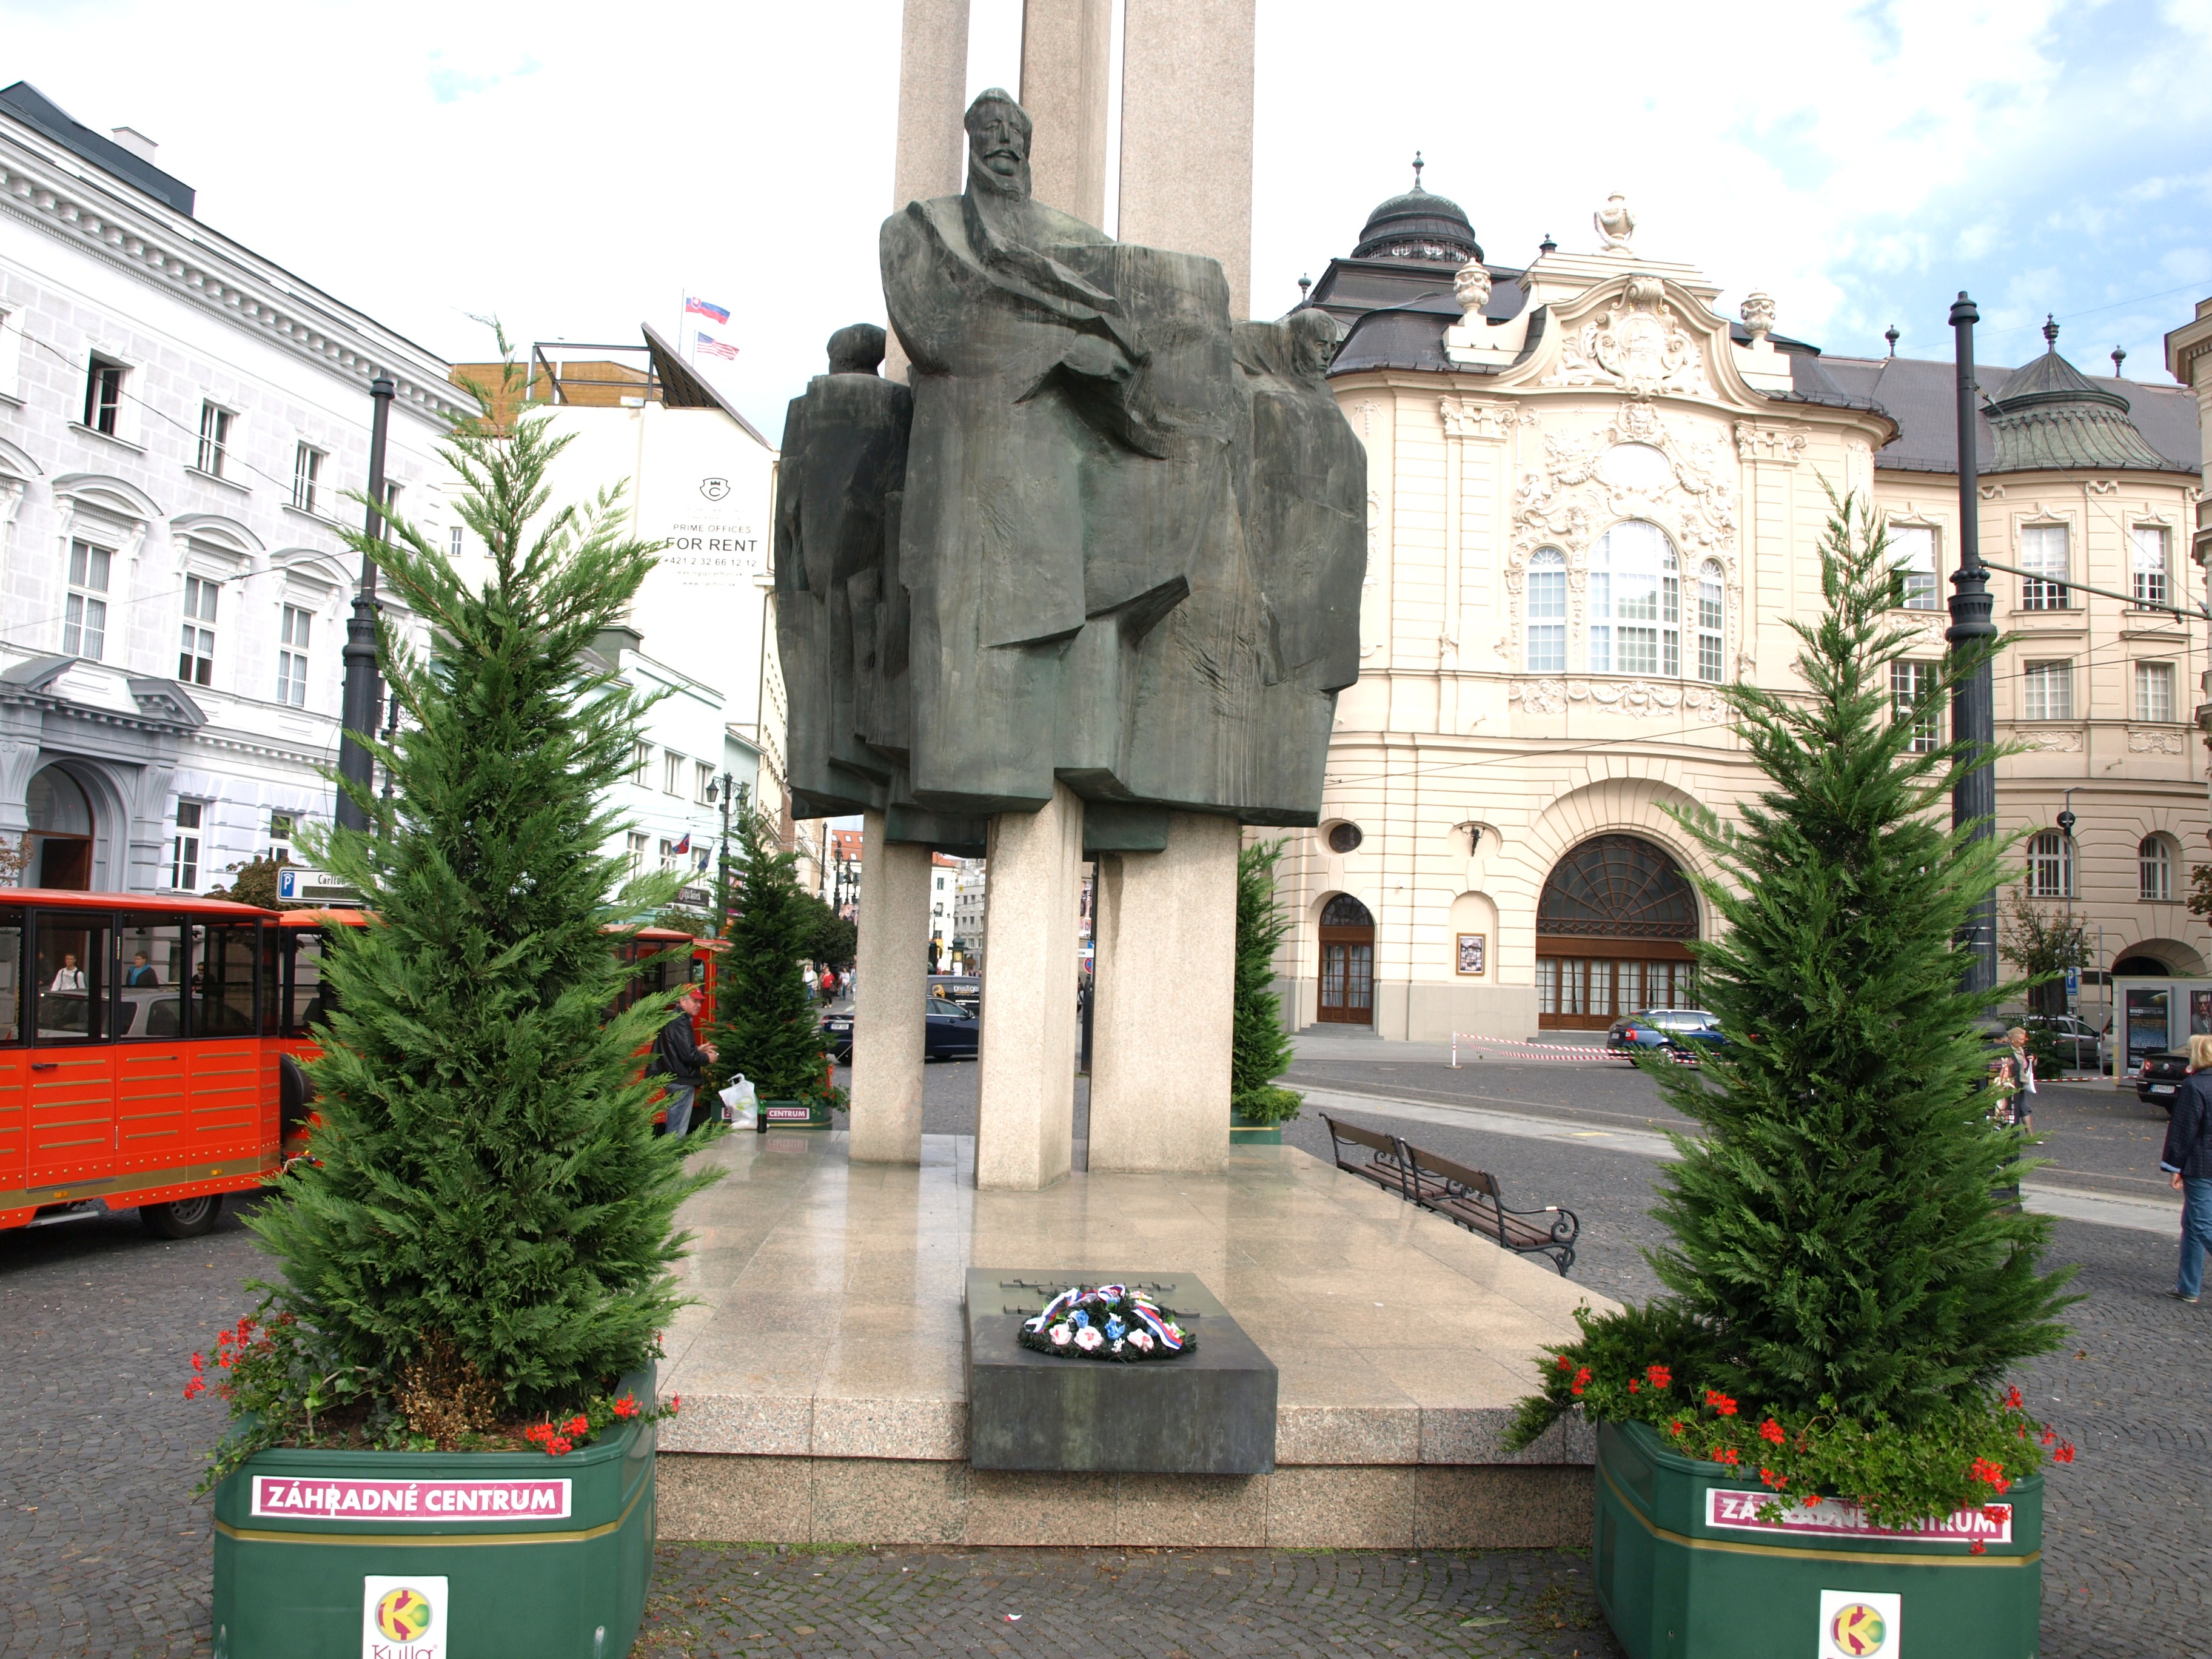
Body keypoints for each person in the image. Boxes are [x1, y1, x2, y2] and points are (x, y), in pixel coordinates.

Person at [2161, 1032, 2212, 1302]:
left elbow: (2183, 1131)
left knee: (2202, 1225)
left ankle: (2188, 1286)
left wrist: (2174, 1166)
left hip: (2201, 1165)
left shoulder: (2195, 1086)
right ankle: (2188, 1286)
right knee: (2192, 1224)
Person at [649, 986, 716, 1139]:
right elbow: (688, 1056)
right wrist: (707, 1058)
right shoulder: (682, 1022)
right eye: (694, 1001)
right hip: (682, 1080)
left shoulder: (672, 1018)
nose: (698, 1005)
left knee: (674, 1122)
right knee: (677, 1129)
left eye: (700, 1002)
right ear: (682, 1001)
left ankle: (669, 1155)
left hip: (672, 1078)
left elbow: (675, 1049)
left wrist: (697, 1049)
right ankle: (673, 1159)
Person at [2005, 1026, 2039, 1131]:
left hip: (2020, 1083)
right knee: (2020, 1108)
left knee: (2025, 1108)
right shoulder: (2008, 1050)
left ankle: (2030, 1135)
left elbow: (2025, 1063)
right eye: (2022, 1039)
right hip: (2012, 1083)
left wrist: (2033, 1059)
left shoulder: (2020, 1049)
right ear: (2014, 1039)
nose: (2024, 1041)